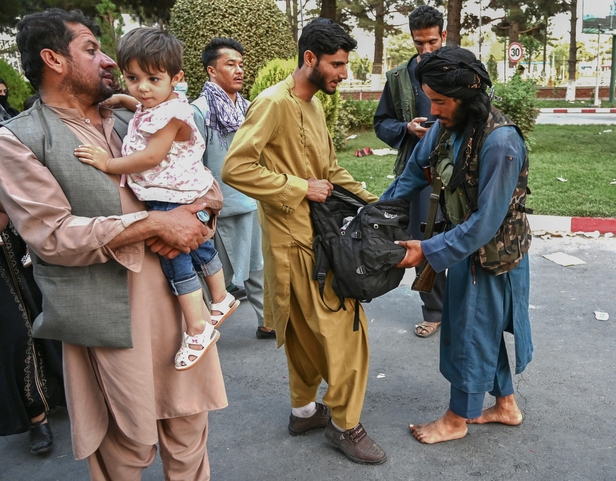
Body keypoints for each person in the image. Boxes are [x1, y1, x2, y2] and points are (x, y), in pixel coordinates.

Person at [0, 9, 227, 479]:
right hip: (107, 318)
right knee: (125, 448)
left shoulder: (135, 116)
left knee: (188, 432)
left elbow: (202, 183)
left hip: (179, 306)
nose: (107, 60)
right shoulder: (18, 140)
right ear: (53, 59)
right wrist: (154, 226)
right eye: (91, 49)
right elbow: (52, 235)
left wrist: (200, 214)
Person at [222, 18, 387, 465]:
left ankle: (303, 411)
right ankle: (344, 424)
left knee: (303, 333)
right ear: (309, 58)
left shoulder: (313, 105)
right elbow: (235, 169)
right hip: (296, 244)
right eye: (336, 64)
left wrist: (378, 205)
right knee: (348, 331)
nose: (343, 73)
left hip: (315, 238)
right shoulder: (272, 103)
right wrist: (298, 187)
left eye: (345, 64)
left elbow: (330, 171)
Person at [380, 46, 533, 445]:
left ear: (467, 97)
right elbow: (412, 175)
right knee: (482, 331)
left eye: (440, 101)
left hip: (490, 255)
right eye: (430, 99)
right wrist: (374, 215)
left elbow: (485, 223)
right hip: (462, 245)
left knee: (469, 334)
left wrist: (427, 250)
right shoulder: (446, 126)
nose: (432, 110)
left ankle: (455, 420)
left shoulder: (501, 143)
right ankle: (505, 406)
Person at [74, 27, 239, 371]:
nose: (143, 88)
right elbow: (147, 106)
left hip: (170, 197)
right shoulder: (163, 104)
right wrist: (124, 100)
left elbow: (151, 157)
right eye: (132, 78)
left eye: (152, 78)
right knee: (202, 249)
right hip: (185, 190)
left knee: (176, 261)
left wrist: (108, 163)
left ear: (176, 77)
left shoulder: (172, 116)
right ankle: (221, 298)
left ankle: (197, 327)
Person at [191, 37, 274, 340]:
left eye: (241, 64)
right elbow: (193, 163)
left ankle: (269, 323)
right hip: (218, 207)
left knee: (259, 268)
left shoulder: (250, 108)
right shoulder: (198, 112)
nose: (239, 70)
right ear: (211, 71)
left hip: (252, 202)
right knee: (213, 273)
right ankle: (197, 329)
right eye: (230, 64)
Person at [373, 5, 447, 339]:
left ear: (443, 35)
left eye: (432, 42)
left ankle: (461, 311)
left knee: (459, 239)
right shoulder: (399, 78)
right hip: (418, 175)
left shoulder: (460, 69)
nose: (426, 50)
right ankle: (433, 310)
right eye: (419, 43)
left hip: (457, 174)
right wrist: (407, 127)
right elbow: (381, 123)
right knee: (422, 241)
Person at [0, 205, 66, 454]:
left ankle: (68, 391)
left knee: (49, 315)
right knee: (13, 333)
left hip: (24, 237)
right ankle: (36, 415)